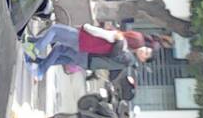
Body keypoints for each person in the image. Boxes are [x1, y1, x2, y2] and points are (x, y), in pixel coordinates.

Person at [25, 21, 153, 79]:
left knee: (56, 30)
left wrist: (86, 26)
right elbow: (113, 74)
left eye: (146, 53)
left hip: (86, 47)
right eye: (146, 49)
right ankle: (36, 59)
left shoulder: (122, 45)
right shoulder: (127, 59)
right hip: (88, 60)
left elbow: (100, 33)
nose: (143, 50)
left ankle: (35, 52)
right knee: (60, 50)